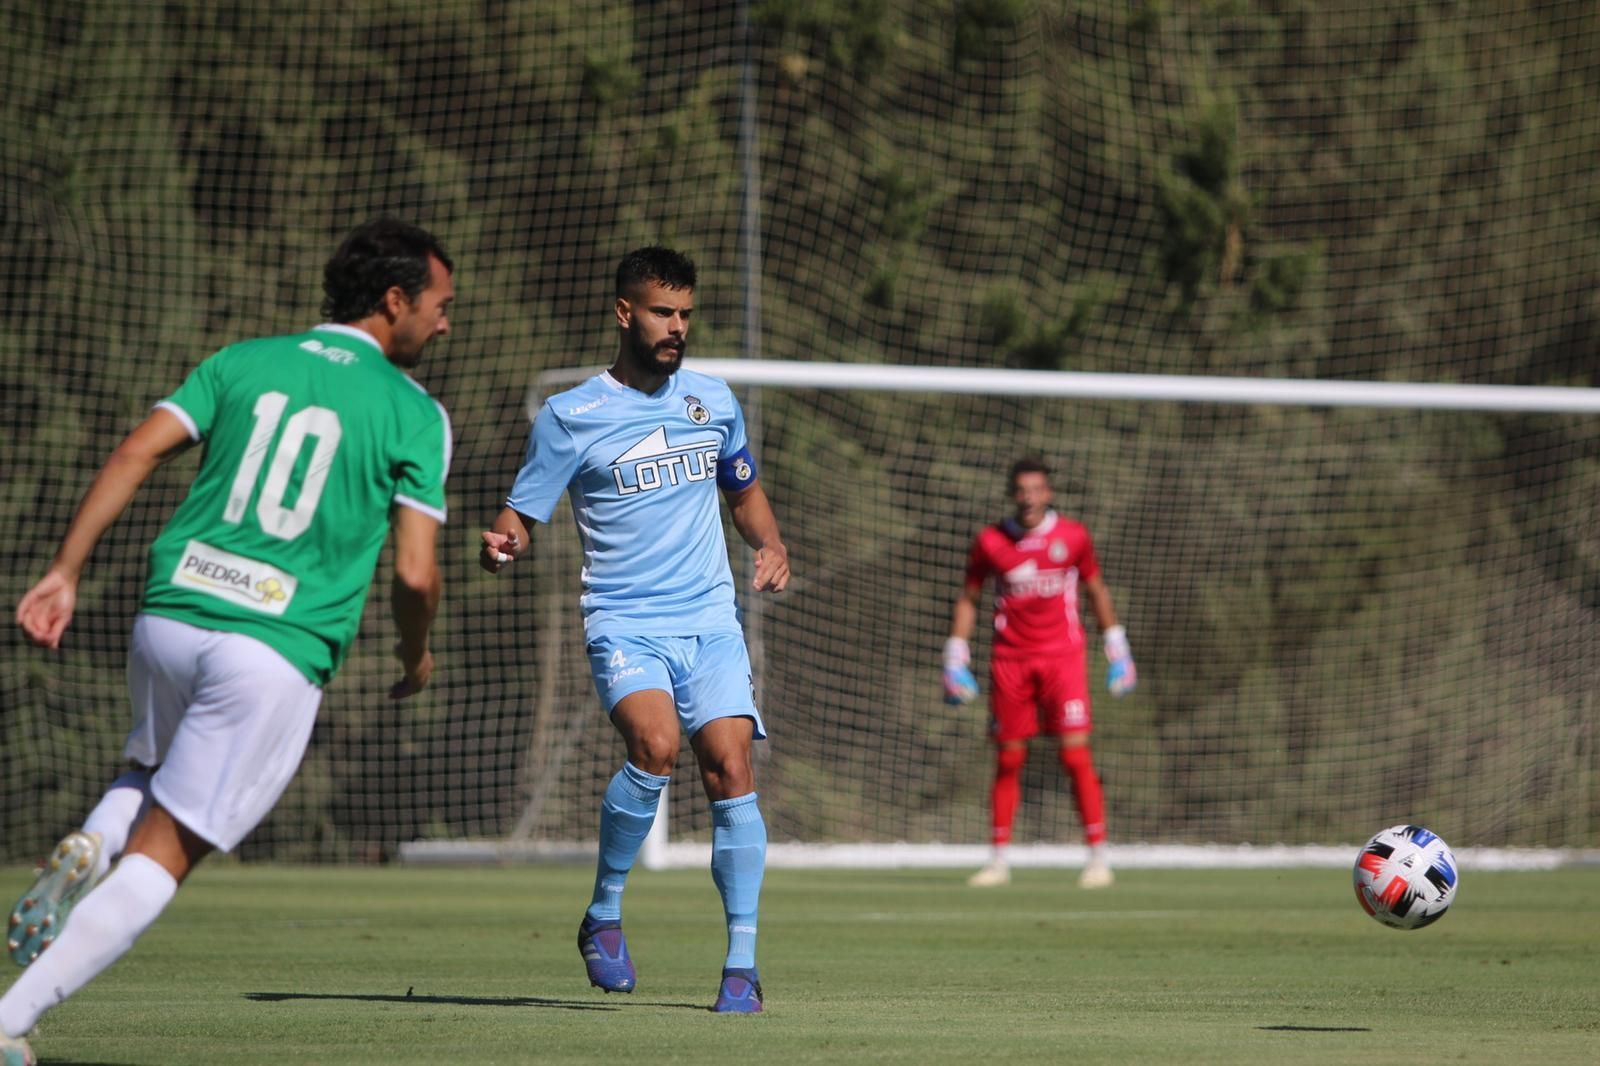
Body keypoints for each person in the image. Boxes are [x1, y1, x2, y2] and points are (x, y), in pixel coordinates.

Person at [2, 217, 456, 1066]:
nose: (444, 322)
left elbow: (137, 452)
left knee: (146, 774)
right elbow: (417, 575)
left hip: (169, 615)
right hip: (273, 649)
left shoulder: (243, 360)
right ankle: (8, 1020)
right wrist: (413, 652)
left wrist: (65, 570)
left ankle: (93, 841)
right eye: (439, 305)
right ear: (394, 301)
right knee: (167, 856)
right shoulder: (415, 414)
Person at [480, 246, 788, 1014]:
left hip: (710, 617)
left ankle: (742, 967)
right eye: (662, 312)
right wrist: (504, 542)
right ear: (625, 313)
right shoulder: (571, 416)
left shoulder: (713, 400)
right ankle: (605, 913)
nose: (677, 327)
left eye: (685, 313)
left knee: (731, 768)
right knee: (653, 748)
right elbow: (519, 515)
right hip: (624, 619)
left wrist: (770, 544)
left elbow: (743, 492)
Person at [943, 457, 1136, 890]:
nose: (1028, 497)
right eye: (1021, 489)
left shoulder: (1073, 537)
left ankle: (1098, 857)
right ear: (1012, 493)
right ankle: (997, 861)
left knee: (1075, 755)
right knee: (1009, 758)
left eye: (1036, 489)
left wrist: (1117, 646)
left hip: (1062, 659)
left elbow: (1095, 588)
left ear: (1048, 493)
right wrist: (955, 654)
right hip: (1010, 662)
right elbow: (969, 597)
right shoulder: (991, 541)